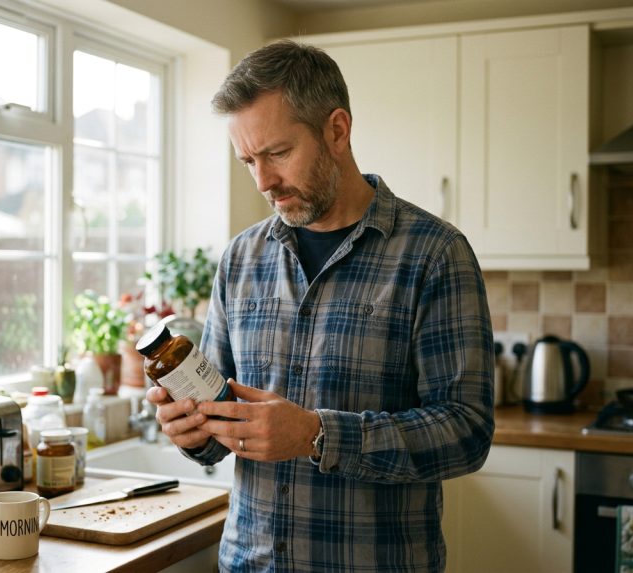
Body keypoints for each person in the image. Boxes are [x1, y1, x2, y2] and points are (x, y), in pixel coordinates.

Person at [146, 39, 494, 573]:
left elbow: (466, 433)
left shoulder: (434, 254)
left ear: (337, 130)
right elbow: (219, 424)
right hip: (249, 563)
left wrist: (318, 435)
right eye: (248, 161)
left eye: (278, 154)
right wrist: (190, 430)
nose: (263, 182)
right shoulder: (240, 259)